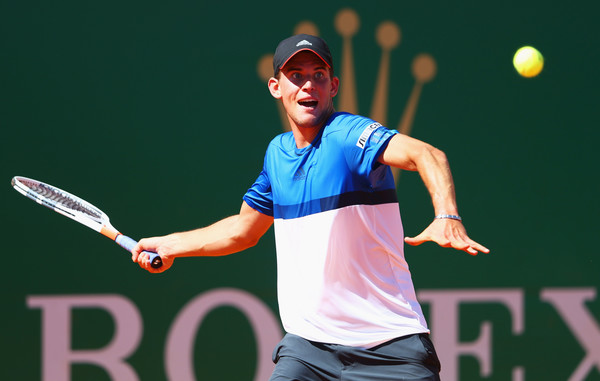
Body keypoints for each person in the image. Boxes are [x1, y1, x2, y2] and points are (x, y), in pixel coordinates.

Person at [132, 34, 489, 381]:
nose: (308, 85)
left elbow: (426, 154)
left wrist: (447, 215)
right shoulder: (277, 154)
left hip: (390, 350)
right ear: (276, 87)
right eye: (296, 76)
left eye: (318, 76)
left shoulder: (349, 135)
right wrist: (169, 244)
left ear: (333, 86)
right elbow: (243, 230)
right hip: (308, 352)